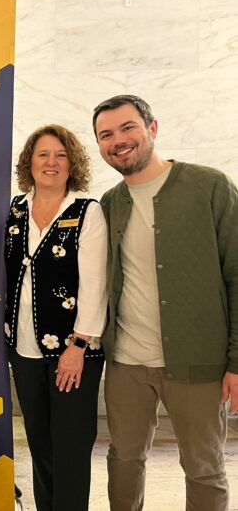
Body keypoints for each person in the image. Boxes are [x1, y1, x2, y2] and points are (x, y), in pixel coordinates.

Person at [95, 94, 238, 511]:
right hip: (126, 362)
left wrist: (236, 361)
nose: (118, 141)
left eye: (127, 129)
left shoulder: (210, 186)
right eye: (106, 135)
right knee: (123, 459)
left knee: (204, 467)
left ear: (152, 129)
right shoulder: (109, 204)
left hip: (198, 362)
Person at [4, 124, 108, 510]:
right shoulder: (14, 210)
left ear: (72, 164)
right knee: (41, 446)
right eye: (43, 154)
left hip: (73, 351)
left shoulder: (87, 212)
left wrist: (78, 346)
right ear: (29, 162)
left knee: (71, 448)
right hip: (24, 349)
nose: (51, 162)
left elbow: (96, 285)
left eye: (60, 155)